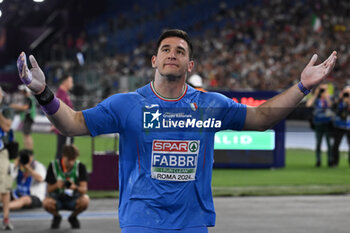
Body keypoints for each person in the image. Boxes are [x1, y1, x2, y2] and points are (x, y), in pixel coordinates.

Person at [16, 29, 337, 233]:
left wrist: (302, 86)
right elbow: (72, 123)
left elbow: (264, 117)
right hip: (141, 219)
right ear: (155, 60)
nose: (173, 54)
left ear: (190, 65)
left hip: (192, 221)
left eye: (180, 51)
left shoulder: (210, 105)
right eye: (166, 49)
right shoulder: (126, 105)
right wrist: (44, 95)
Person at [42, 144, 89, 229]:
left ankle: (73, 217)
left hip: (73, 198)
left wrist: (75, 187)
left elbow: (84, 190)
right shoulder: (53, 166)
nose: (71, 162)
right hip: (57, 198)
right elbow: (48, 190)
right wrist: (57, 185)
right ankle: (57, 217)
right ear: (63, 156)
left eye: (73, 160)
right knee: (46, 203)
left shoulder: (80, 167)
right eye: (69, 160)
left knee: (85, 200)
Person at [306, 83, 334, 167]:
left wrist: (325, 95)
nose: (322, 91)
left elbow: (331, 105)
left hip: (328, 123)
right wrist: (315, 94)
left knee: (329, 143)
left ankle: (330, 160)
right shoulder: (316, 99)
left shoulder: (329, 98)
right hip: (318, 123)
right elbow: (308, 105)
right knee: (318, 143)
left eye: (324, 89)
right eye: (321, 89)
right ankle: (318, 160)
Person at [0, 87, 14, 230]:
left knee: (4, 187)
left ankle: (5, 218)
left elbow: (6, 127)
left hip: (1, 152)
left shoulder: (6, 110)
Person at [54, 74, 74, 159]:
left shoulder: (64, 93)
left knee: (63, 152)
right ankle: (58, 170)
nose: (72, 83)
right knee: (64, 152)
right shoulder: (61, 94)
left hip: (66, 128)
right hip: (64, 128)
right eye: (70, 81)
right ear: (65, 82)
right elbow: (57, 110)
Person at [9, 85, 36, 150]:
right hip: (28, 118)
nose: (21, 92)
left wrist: (15, 106)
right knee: (26, 134)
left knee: (27, 135)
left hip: (28, 118)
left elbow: (25, 107)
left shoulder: (28, 98)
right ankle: (27, 149)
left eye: (22, 91)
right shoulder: (29, 98)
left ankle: (29, 150)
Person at [332, 86, 350, 167]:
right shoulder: (339, 101)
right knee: (336, 145)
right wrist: (340, 98)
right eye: (345, 92)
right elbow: (333, 108)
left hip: (349, 126)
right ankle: (335, 162)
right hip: (339, 126)